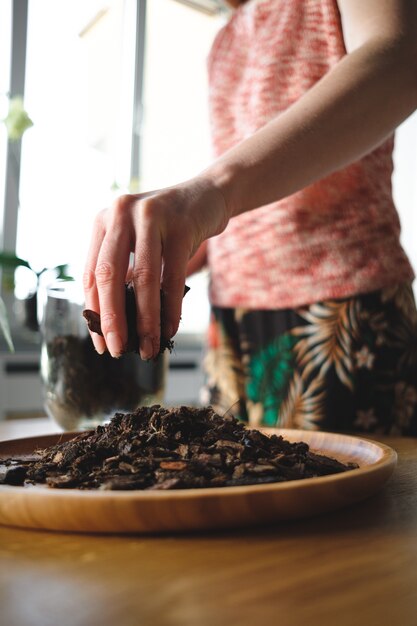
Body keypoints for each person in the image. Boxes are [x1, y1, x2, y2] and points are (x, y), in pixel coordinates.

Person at [83, 0, 417, 436]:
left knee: (342, 500)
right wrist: (174, 252)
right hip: (229, 329)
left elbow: (399, 58)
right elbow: (252, 196)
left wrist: (207, 193)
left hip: (341, 317)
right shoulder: (225, 39)